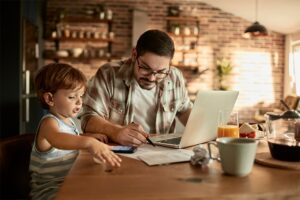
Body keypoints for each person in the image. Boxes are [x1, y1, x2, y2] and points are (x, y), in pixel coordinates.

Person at [80, 29, 192, 147]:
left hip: (163, 151)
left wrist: (203, 129)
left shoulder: (175, 76)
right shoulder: (108, 74)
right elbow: (88, 118)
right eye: (145, 68)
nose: (152, 78)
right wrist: (115, 132)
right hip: (119, 152)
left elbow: (185, 111)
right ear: (134, 55)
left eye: (161, 72)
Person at [29, 63, 121, 200]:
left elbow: (69, 138)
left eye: (81, 96)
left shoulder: (68, 121)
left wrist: (88, 136)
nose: (79, 102)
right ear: (50, 98)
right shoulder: (48, 123)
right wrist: (88, 142)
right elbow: (58, 139)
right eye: (72, 97)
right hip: (50, 191)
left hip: (69, 182)